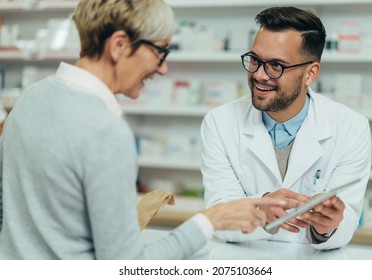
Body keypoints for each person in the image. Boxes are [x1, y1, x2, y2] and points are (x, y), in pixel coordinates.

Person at [0, 0, 291, 260]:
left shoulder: (30, 98)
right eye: (160, 51)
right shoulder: (105, 131)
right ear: (119, 46)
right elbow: (124, 265)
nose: (163, 69)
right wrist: (210, 220)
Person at [201, 6, 371, 250]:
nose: (259, 75)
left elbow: (348, 220)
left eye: (276, 66)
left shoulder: (351, 127)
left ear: (310, 74)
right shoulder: (219, 122)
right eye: (255, 60)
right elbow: (219, 215)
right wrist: (261, 207)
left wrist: (329, 226)